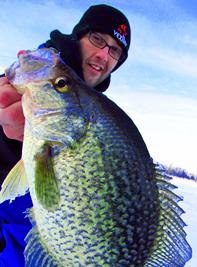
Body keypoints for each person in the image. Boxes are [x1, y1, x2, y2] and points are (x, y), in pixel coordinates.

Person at [0, 4, 131, 266]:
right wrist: (9, 144)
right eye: (98, 39)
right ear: (78, 37)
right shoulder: (25, 86)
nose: (103, 55)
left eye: (115, 50)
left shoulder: (99, 119)